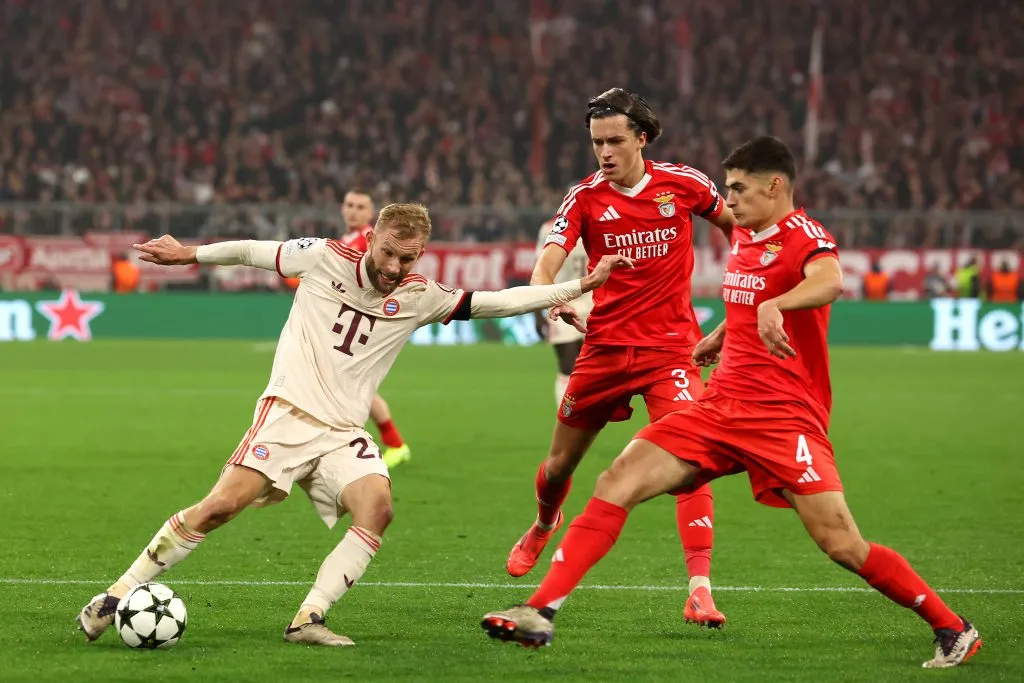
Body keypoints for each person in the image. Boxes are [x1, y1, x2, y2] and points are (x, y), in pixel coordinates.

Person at [480, 137, 982, 669]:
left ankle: (952, 628)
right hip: (719, 408)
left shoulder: (803, 235)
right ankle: (540, 611)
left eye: (739, 189)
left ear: (776, 186)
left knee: (842, 544)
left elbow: (830, 281)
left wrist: (776, 305)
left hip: (783, 419)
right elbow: (746, 300)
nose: (730, 200)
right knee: (616, 480)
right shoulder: (744, 236)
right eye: (728, 188)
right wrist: (722, 335)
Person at [76, 202, 630, 647]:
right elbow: (251, 251)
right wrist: (189, 255)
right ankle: (116, 593)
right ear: (372, 239)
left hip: (343, 432)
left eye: (408, 259)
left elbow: (499, 302)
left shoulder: (421, 297)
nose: (394, 268)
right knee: (218, 507)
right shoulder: (321, 257)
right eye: (389, 253)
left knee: (378, 507)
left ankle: (308, 618)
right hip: (288, 413)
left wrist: (579, 286)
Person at [505, 88, 736, 628]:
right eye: (596, 143)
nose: (604, 152)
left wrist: (740, 295)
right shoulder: (583, 197)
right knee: (559, 466)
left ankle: (699, 589)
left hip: (672, 351)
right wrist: (554, 300)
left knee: (692, 464)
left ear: (642, 138)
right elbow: (544, 269)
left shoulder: (684, 183)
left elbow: (736, 229)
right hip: (605, 348)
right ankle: (543, 523)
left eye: (613, 141)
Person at [339, 188, 411, 469]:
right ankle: (392, 442)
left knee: (355, 385)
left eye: (360, 206)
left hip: (363, 322)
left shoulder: (370, 243)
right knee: (352, 384)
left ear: (371, 214)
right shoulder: (345, 240)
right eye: (349, 205)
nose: (354, 210)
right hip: (347, 322)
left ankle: (394, 443)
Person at [534, 216, 592, 405]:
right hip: (560, 301)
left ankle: (582, 414)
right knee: (567, 364)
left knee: (587, 367)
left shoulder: (601, 223)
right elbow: (539, 268)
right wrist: (538, 312)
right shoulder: (550, 228)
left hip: (593, 302)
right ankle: (565, 416)